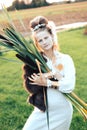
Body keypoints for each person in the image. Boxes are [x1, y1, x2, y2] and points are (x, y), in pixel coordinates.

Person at [22, 16, 76, 130]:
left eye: (46, 37)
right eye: (40, 40)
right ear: (37, 43)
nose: (44, 42)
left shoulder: (66, 59)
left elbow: (69, 86)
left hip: (62, 111)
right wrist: (54, 76)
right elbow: (31, 85)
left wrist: (47, 82)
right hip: (42, 110)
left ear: (52, 36)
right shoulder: (36, 62)